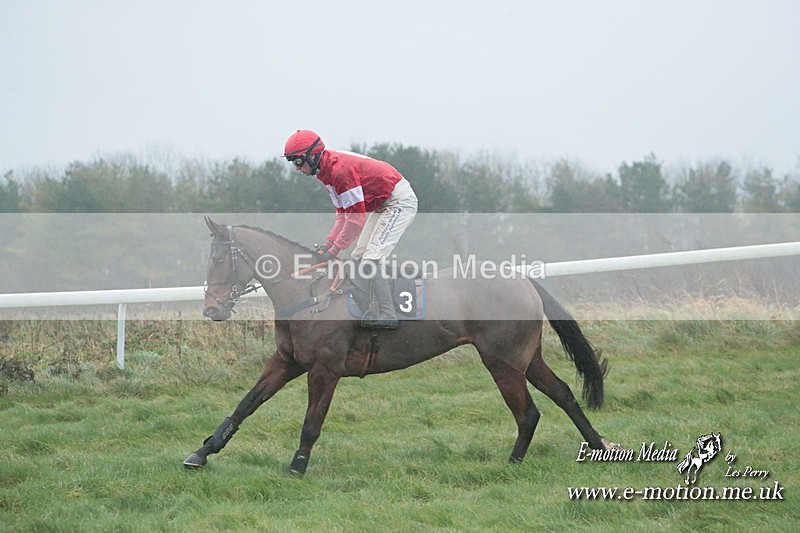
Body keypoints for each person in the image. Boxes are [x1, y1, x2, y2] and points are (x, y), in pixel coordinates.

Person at [283, 129, 418, 329]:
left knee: (371, 259)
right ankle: (372, 307)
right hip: (383, 204)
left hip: (399, 201)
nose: (297, 168)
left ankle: (389, 314)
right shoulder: (325, 173)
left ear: (312, 156)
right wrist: (328, 245)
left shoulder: (339, 171)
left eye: (298, 161)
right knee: (358, 257)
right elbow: (342, 214)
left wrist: (335, 250)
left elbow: (356, 220)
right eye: (293, 163)